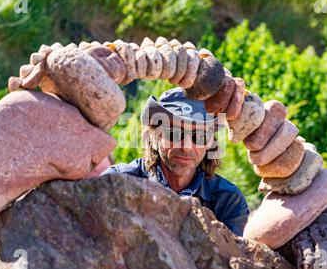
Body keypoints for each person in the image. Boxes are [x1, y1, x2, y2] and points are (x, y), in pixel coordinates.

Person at [101, 87, 249, 236]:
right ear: (155, 136)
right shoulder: (118, 181)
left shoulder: (228, 200)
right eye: (174, 134)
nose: (186, 147)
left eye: (199, 136)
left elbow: (235, 257)